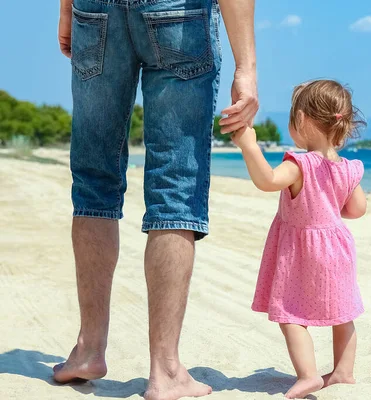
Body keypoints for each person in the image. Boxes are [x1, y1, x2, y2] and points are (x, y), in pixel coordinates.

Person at [55, 0, 257, 398]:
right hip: (177, 12)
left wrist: (67, 11)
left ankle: (88, 349)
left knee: (94, 179)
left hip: (95, 12)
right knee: (175, 185)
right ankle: (165, 370)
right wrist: (246, 67)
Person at [230, 79, 367, 399]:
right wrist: (328, 212)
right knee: (343, 312)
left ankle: (308, 376)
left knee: (290, 312)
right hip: (338, 246)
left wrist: (250, 146)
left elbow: (268, 181)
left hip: (304, 250)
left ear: (301, 120)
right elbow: (357, 209)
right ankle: (343, 372)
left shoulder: (300, 164)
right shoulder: (348, 168)